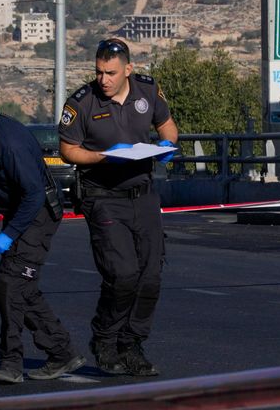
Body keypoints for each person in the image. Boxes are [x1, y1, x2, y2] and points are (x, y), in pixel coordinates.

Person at [58, 38, 179, 376]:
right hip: (103, 197)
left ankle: (132, 344)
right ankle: (105, 339)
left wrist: (167, 145)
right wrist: (103, 156)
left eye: (111, 73)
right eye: (99, 72)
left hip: (143, 194)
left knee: (151, 276)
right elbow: (68, 150)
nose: (103, 79)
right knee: (123, 274)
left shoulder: (147, 90)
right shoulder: (81, 103)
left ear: (128, 69)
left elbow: (168, 128)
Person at [0, 85, 85, 384]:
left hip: (38, 213)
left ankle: (11, 363)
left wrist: (9, 235)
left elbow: (34, 195)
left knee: (9, 284)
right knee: (22, 289)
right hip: (16, 212)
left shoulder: (10, 142)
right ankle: (62, 352)